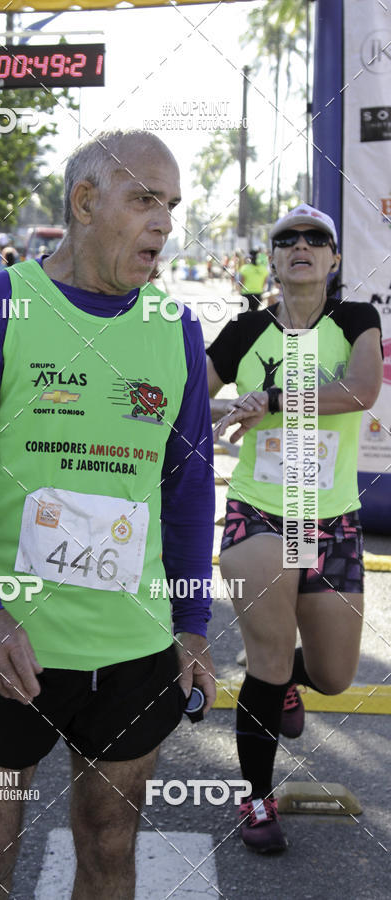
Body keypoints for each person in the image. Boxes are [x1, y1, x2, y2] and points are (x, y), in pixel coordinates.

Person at [0, 129, 217, 899]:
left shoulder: (176, 330)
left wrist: (192, 626)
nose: (163, 223)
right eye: (144, 200)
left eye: (172, 206)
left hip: (133, 649)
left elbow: (187, 486)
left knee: (111, 846)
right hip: (9, 648)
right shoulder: (0, 303)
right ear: (86, 203)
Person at [206, 204, 383, 853]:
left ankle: (282, 690)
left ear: (334, 260)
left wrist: (272, 400)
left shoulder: (357, 319)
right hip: (259, 511)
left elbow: (362, 390)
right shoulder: (245, 329)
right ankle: (255, 797)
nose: (302, 246)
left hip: (331, 519)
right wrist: (223, 404)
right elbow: (191, 394)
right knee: (269, 661)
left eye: (317, 239)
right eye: (288, 240)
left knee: (334, 675)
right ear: (273, 260)